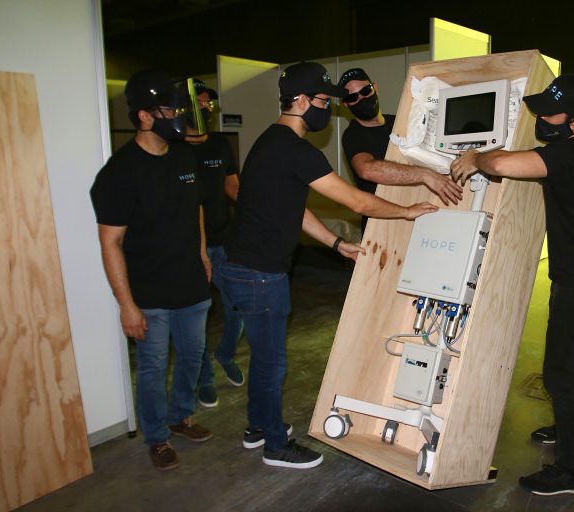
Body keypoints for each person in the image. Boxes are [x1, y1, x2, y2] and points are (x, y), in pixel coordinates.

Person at [222, 61, 437, 469]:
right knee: (271, 362)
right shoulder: (294, 149)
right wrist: (407, 213)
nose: (329, 108)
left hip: (245, 268)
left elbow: (294, 209)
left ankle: (257, 427)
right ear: (301, 101)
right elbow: (356, 200)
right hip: (259, 274)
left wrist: (337, 243)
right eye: (324, 100)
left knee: (265, 356)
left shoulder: (269, 142)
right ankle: (274, 445)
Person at [451, 73, 574, 496]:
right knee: (570, 363)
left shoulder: (573, 155)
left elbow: (505, 165)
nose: (543, 117)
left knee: (558, 372)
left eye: (552, 112)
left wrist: (475, 155)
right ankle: (572, 428)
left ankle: (569, 473)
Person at [90, 69, 214, 471]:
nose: (178, 115)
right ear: (144, 116)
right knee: (153, 367)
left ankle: (180, 417)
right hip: (150, 294)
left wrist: (202, 254)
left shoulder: (183, 155)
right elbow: (110, 242)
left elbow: (195, 208)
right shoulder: (119, 173)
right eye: (169, 109)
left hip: (191, 285)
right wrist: (127, 305)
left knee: (193, 358)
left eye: (180, 107)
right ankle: (157, 436)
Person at [337, 67, 463, 232]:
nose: (362, 98)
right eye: (353, 97)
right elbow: (367, 169)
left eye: (366, 91)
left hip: (420, 214)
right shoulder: (353, 135)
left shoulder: (399, 123)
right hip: (381, 228)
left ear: (375, 87)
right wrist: (425, 175)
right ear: (345, 103)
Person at [185, 78, 245, 408]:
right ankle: (205, 377)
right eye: (198, 103)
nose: (203, 108)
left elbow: (234, 188)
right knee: (199, 317)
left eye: (208, 103)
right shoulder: (174, 149)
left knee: (238, 308)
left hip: (224, 243)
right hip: (189, 249)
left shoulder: (220, 146)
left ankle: (224, 354)